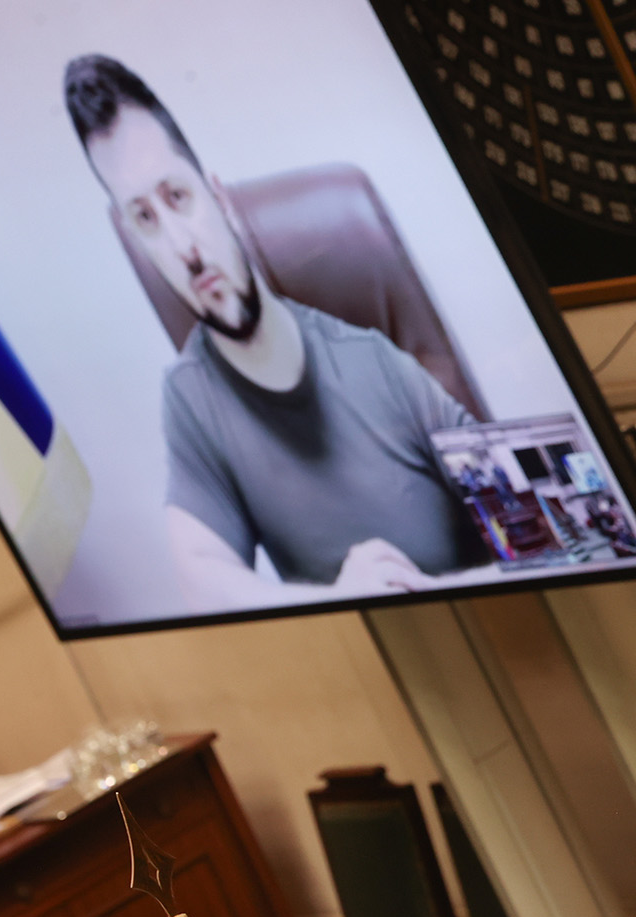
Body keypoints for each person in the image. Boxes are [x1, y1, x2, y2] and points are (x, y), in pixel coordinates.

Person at [63, 55, 487, 611]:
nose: (183, 249)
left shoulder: (376, 359)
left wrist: (425, 592)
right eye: (144, 219)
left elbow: (559, 527)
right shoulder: (191, 397)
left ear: (219, 198)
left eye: (177, 198)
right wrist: (341, 597)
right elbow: (201, 576)